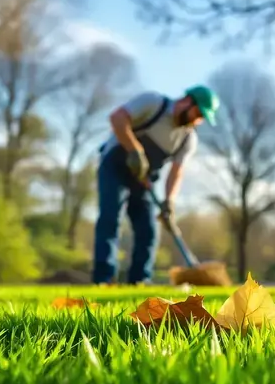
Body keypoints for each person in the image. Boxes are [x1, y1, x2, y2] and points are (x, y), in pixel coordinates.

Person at [91, 85, 219, 285]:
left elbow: (176, 171)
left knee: (148, 229)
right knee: (110, 218)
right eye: (198, 113)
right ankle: (104, 278)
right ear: (187, 101)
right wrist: (134, 150)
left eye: (202, 118)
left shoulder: (187, 138)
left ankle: (140, 280)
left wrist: (169, 201)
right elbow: (117, 118)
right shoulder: (153, 103)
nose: (198, 121)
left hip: (143, 179)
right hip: (114, 167)